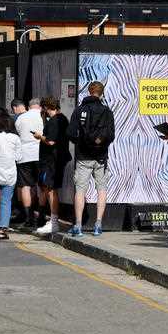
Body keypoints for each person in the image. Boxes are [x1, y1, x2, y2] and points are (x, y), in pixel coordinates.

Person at [67, 81, 115, 237]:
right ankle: (98, 224)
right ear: (102, 93)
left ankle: (78, 226)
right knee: (102, 189)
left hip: (83, 157)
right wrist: (99, 144)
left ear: (89, 91)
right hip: (101, 157)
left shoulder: (80, 110)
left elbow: (71, 133)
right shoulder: (107, 111)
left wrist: (82, 143)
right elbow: (111, 135)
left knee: (80, 190)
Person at [34, 97, 71, 235]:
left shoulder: (55, 121)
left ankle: (54, 221)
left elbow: (50, 142)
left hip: (51, 161)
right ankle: (48, 218)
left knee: (50, 189)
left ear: (46, 107)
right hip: (55, 160)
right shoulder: (62, 119)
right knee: (47, 188)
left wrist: (40, 136)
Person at [15, 97, 44, 229]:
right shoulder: (42, 116)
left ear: (29, 106)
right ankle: (41, 216)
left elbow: (17, 134)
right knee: (41, 185)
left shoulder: (21, 118)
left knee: (26, 185)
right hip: (40, 154)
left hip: (24, 155)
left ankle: (28, 217)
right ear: (40, 106)